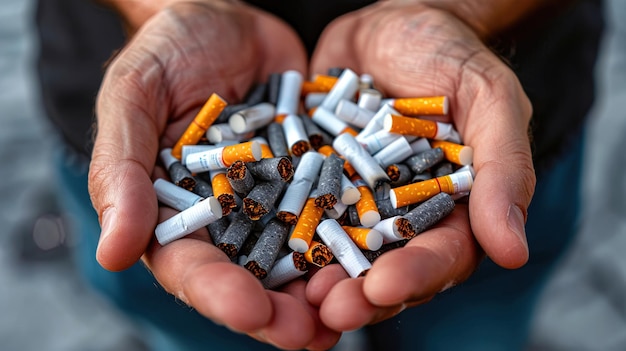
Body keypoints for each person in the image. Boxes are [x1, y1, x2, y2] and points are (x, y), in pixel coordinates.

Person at [35, 0, 603, 350]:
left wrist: (464, 12)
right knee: (197, 326)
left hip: (519, 99)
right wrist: (158, 9)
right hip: (133, 95)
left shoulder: (345, 158)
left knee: (473, 328)